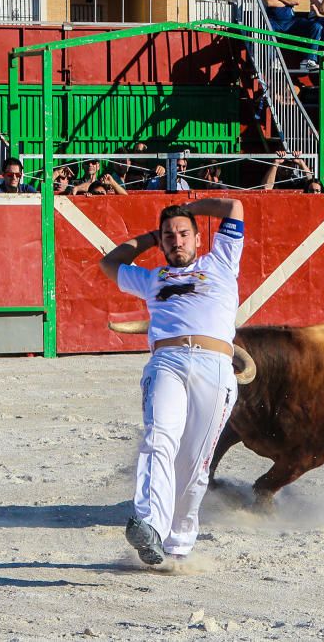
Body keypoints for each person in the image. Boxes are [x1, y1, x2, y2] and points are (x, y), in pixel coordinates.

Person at [99, 195, 244, 566]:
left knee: (194, 462)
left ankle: (177, 544)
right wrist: (151, 235)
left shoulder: (222, 261)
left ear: (199, 238)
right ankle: (149, 525)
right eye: (168, 237)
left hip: (215, 364)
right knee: (158, 437)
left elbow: (234, 208)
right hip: (167, 360)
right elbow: (109, 262)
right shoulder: (151, 279)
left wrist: (191, 208)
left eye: (183, 234)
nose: (176, 241)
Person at [259, 0, 323, 71]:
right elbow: (269, 2)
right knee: (267, 28)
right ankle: (273, 60)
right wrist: (289, 1)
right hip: (273, 21)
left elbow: (296, 1)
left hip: (291, 21)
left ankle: (309, 60)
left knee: (316, 26)